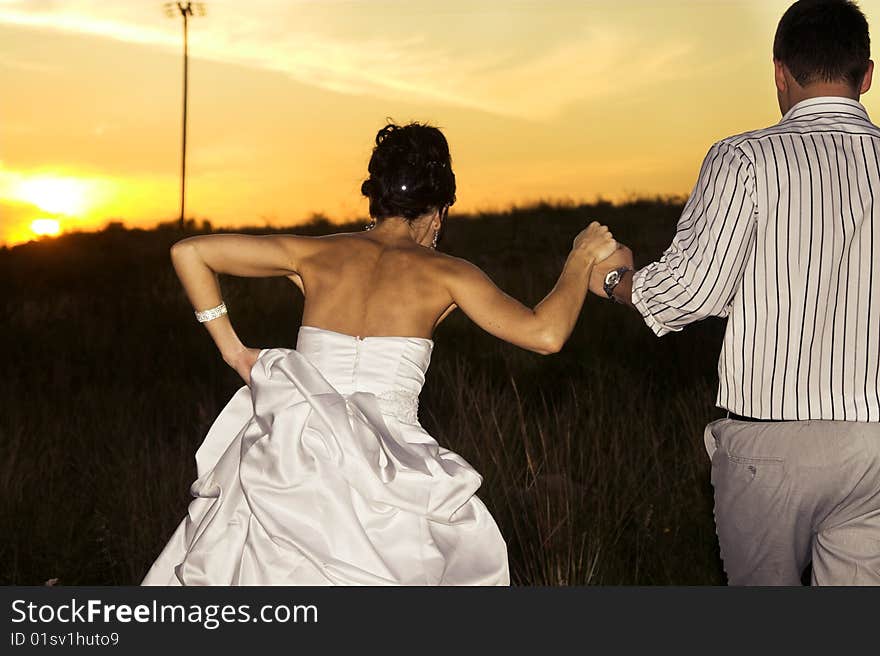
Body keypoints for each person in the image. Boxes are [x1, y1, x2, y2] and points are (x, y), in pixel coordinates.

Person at [141, 122, 617, 585]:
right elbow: (546, 334)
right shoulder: (448, 273)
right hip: (389, 474)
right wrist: (579, 259)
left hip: (292, 457)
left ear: (378, 198)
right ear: (438, 210)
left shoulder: (315, 254)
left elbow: (190, 253)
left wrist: (237, 353)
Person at [592, 0, 880, 585]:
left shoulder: (745, 158)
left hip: (771, 440)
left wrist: (616, 281)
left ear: (779, 72)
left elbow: (689, 291)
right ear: (867, 74)